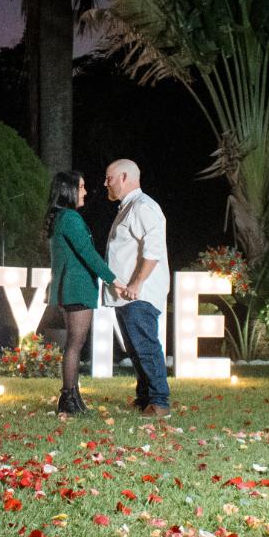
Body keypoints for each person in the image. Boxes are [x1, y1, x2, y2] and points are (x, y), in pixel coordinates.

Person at [45, 171, 126, 416]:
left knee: (74, 343)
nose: (85, 192)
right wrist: (113, 280)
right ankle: (68, 398)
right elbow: (87, 253)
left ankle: (73, 396)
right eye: (81, 187)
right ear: (68, 191)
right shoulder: (70, 218)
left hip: (69, 288)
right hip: (76, 288)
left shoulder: (62, 217)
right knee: (75, 344)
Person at [103, 159, 171, 417]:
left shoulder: (143, 207)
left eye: (109, 178)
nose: (106, 183)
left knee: (145, 346)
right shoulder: (129, 207)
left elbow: (154, 249)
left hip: (138, 295)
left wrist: (137, 282)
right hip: (126, 295)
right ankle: (145, 397)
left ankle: (160, 402)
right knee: (135, 348)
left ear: (124, 177)